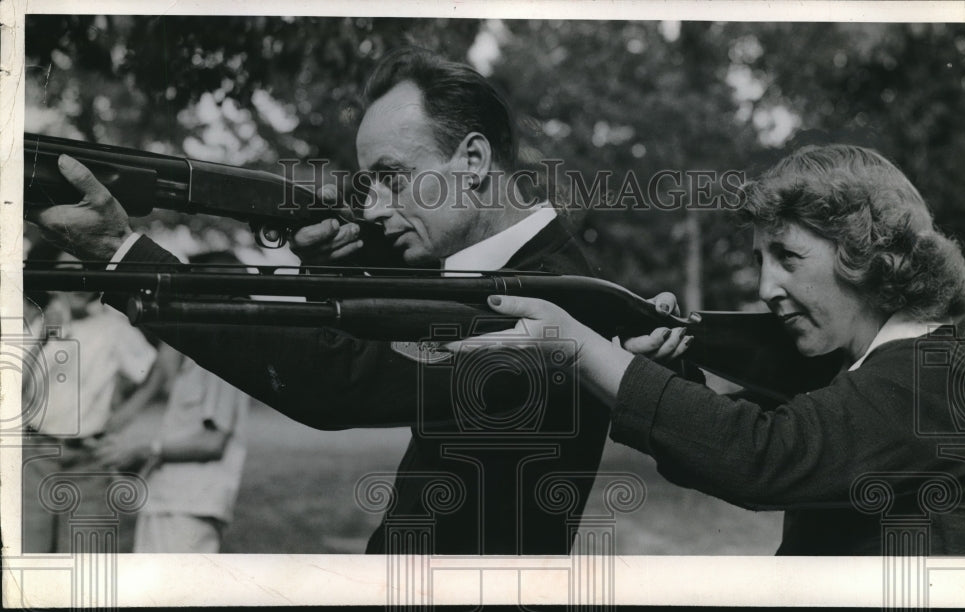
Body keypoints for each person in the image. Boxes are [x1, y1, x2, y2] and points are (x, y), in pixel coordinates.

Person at [28, 48, 611, 554]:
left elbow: (339, 380)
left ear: (474, 160)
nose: (376, 208)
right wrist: (329, 267)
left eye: (393, 176)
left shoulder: (550, 296)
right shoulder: (505, 271)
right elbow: (395, 329)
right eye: (369, 184)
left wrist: (123, 254)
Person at [452, 144, 965, 555]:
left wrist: (576, 344)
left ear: (865, 253)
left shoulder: (930, 375)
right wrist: (675, 373)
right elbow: (726, 447)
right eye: (759, 261)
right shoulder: (879, 369)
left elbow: (760, 456)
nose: (765, 288)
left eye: (788, 257)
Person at [90, 251, 252, 554]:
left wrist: (143, 449)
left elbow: (212, 442)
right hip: (169, 501)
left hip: (191, 507)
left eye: (190, 291)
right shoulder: (196, 360)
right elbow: (161, 376)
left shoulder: (223, 363)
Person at [21, 246, 159, 553]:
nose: (80, 284)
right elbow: (16, 385)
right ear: (51, 280)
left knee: (84, 559)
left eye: (88, 274)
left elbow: (153, 372)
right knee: (31, 554)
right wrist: (44, 337)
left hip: (88, 461)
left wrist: (123, 415)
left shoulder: (114, 328)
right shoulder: (39, 325)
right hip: (36, 456)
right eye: (69, 275)